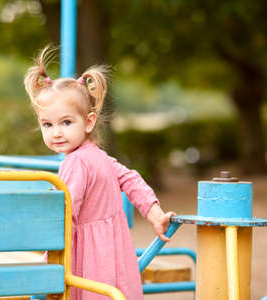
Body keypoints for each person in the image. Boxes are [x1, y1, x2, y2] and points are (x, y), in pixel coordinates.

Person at [24, 47, 176, 300]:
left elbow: (65, 216)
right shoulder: (100, 156)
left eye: (66, 122)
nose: (56, 133)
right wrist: (154, 213)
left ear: (89, 122)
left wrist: (48, 262)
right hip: (116, 253)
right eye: (47, 125)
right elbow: (131, 179)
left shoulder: (74, 163)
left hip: (90, 260)